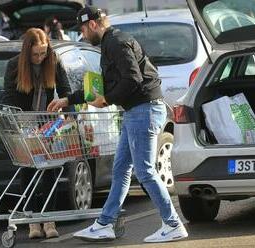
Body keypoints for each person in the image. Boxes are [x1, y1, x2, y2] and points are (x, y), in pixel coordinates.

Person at [47, 6, 188, 243]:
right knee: (121, 169)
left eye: (82, 29)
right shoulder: (110, 43)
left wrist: (108, 99)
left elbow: (132, 78)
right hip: (137, 111)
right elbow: (101, 85)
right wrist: (68, 99)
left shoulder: (115, 42)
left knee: (144, 171)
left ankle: (173, 223)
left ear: (92, 24)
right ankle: (105, 224)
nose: (81, 35)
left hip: (143, 110)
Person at [3, 27, 71, 239]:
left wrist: (69, 113)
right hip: (25, 123)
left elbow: (65, 88)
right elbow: (9, 97)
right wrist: (22, 124)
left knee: (49, 170)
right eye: (36, 54)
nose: (40, 57)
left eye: (43, 53)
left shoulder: (53, 59)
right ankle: (32, 222)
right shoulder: (14, 65)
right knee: (28, 171)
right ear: (27, 51)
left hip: (47, 123)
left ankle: (49, 220)